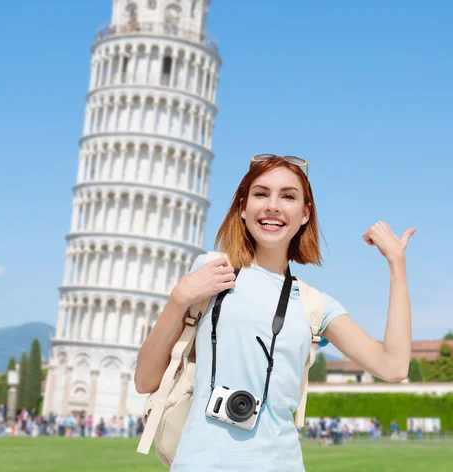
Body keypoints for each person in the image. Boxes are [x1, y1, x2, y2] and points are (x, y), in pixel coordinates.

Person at [134, 155, 415, 471]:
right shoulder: (212, 271)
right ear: (243, 207)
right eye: (261, 193)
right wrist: (179, 298)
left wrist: (397, 265)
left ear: (305, 214)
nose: (273, 206)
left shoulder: (313, 304)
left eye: (288, 196)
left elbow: (393, 367)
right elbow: (145, 380)